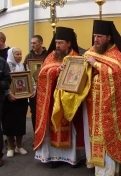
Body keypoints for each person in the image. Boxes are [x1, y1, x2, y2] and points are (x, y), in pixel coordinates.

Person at [84, 20, 121, 175]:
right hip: (94, 105)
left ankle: (110, 170)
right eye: (94, 36)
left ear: (108, 38)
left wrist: (96, 64)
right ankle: (98, 167)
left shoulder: (116, 54)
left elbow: (116, 74)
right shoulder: (92, 51)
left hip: (111, 107)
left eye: (99, 37)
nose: (96, 40)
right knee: (95, 134)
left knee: (109, 135)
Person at [33, 26, 85, 168]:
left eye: (61, 43)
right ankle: (53, 157)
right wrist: (56, 70)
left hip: (69, 102)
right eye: (56, 43)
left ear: (69, 43)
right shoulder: (51, 56)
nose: (57, 46)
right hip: (52, 101)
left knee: (72, 129)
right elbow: (43, 73)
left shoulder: (77, 58)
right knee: (52, 129)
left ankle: (73, 158)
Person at [3, 47, 33, 158]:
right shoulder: (5, 66)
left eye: (20, 54)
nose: (19, 56)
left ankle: (19, 146)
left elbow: (30, 79)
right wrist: (8, 94)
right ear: (11, 55)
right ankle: (10, 146)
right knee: (9, 123)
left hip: (22, 100)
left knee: (20, 122)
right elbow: (4, 81)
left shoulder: (24, 66)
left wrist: (32, 90)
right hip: (9, 100)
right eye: (17, 54)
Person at [23, 35, 46, 132]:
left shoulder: (48, 55)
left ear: (41, 43)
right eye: (31, 43)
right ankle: (36, 135)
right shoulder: (29, 56)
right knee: (35, 113)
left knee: (45, 112)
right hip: (33, 90)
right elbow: (25, 70)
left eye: (35, 43)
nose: (32, 45)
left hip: (45, 88)